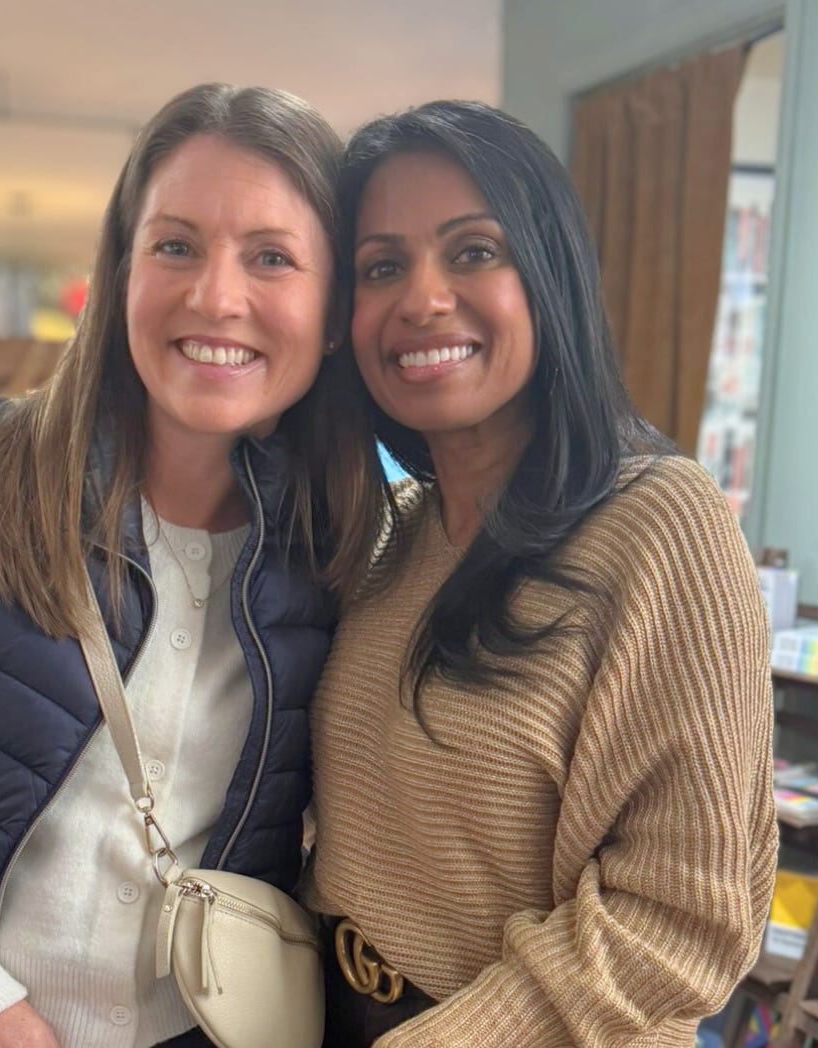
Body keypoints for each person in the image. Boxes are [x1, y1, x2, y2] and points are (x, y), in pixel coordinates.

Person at [0, 83, 382, 1048]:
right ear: (121, 270)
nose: (217, 296)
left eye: (272, 258)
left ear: (333, 311)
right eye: (175, 245)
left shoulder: (337, 544)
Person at [304, 100, 778, 1047]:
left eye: (474, 251)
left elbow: (687, 918)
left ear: (549, 272)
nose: (422, 299)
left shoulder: (659, 524)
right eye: (381, 266)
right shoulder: (390, 536)